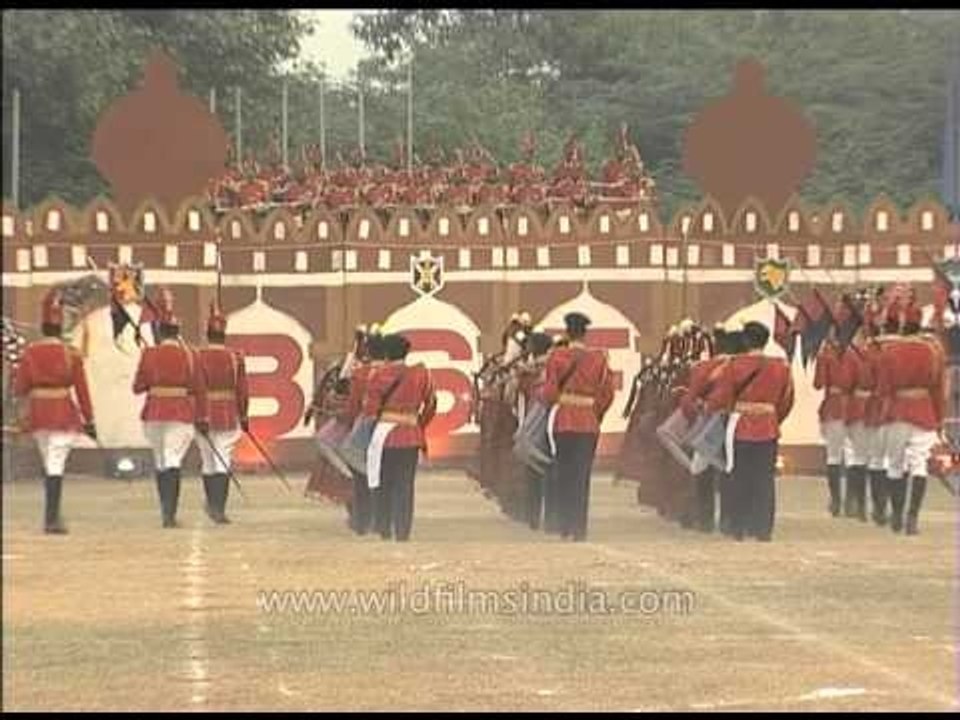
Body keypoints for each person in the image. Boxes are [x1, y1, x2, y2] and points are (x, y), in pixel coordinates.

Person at [13, 290, 96, 534]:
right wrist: (89, 419)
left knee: (50, 461)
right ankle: (51, 519)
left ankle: (52, 515)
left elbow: (20, 388)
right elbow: (82, 389)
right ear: (60, 329)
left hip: (39, 414)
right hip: (62, 414)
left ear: (43, 327)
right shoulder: (71, 354)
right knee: (55, 464)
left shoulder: (30, 353)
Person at [707, 321, 794, 542]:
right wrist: (773, 418)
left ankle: (738, 526)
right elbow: (786, 400)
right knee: (764, 480)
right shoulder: (781, 366)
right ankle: (762, 528)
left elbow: (721, 397)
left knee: (739, 477)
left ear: (745, 340)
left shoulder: (733, 365)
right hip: (768, 427)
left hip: (740, 427)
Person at [133, 289, 208, 528]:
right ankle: (170, 514)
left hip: (153, 413)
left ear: (159, 331)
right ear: (178, 332)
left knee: (161, 461)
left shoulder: (149, 354)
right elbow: (199, 389)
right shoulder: (190, 355)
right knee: (173, 460)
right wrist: (203, 418)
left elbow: (137, 387)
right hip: (179, 413)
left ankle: (165, 510)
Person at [540, 312, 615, 541]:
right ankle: (579, 528)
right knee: (582, 477)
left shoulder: (557, 356)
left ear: (567, 332)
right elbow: (607, 394)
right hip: (588, 423)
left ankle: (564, 525)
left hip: (563, 421)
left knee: (563, 474)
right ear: (585, 334)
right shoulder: (598, 359)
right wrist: (595, 413)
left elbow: (549, 392)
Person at [876, 298, 945, 535]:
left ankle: (896, 515)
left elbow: (883, 388)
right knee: (919, 465)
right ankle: (912, 517)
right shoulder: (933, 352)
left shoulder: (890, 351)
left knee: (895, 465)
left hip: (897, 411)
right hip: (924, 410)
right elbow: (938, 389)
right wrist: (939, 419)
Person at [363, 334, 437, 542]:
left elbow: (370, 410)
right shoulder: (421, 374)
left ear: (386, 354)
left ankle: (384, 529)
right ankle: (403, 531)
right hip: (410, 436)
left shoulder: (378, 376)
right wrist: (418, 423)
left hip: (384, 437)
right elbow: (431, 403)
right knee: (405, 486)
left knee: (382, 482)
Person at [196, 302, 249, 524]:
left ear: (207, 334)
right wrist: (244, 416)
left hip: (203, 413)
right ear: (224, 334)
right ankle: (218, 507)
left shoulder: (197, 356)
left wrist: (198, 415)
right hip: (228, 414)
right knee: (223, 459)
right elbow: (242, 389)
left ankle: (212, 503)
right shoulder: (235, 357)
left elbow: (195, 388)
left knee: (207, 460)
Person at [813, 311, 856, 518]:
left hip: (833, 407)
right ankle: (851, 500)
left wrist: (822, 358)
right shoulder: (858, 355)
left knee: (833, 456)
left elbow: (818, 383)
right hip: (854, 408)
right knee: (852, 455)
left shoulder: (826, 355)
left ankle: (836, 500)